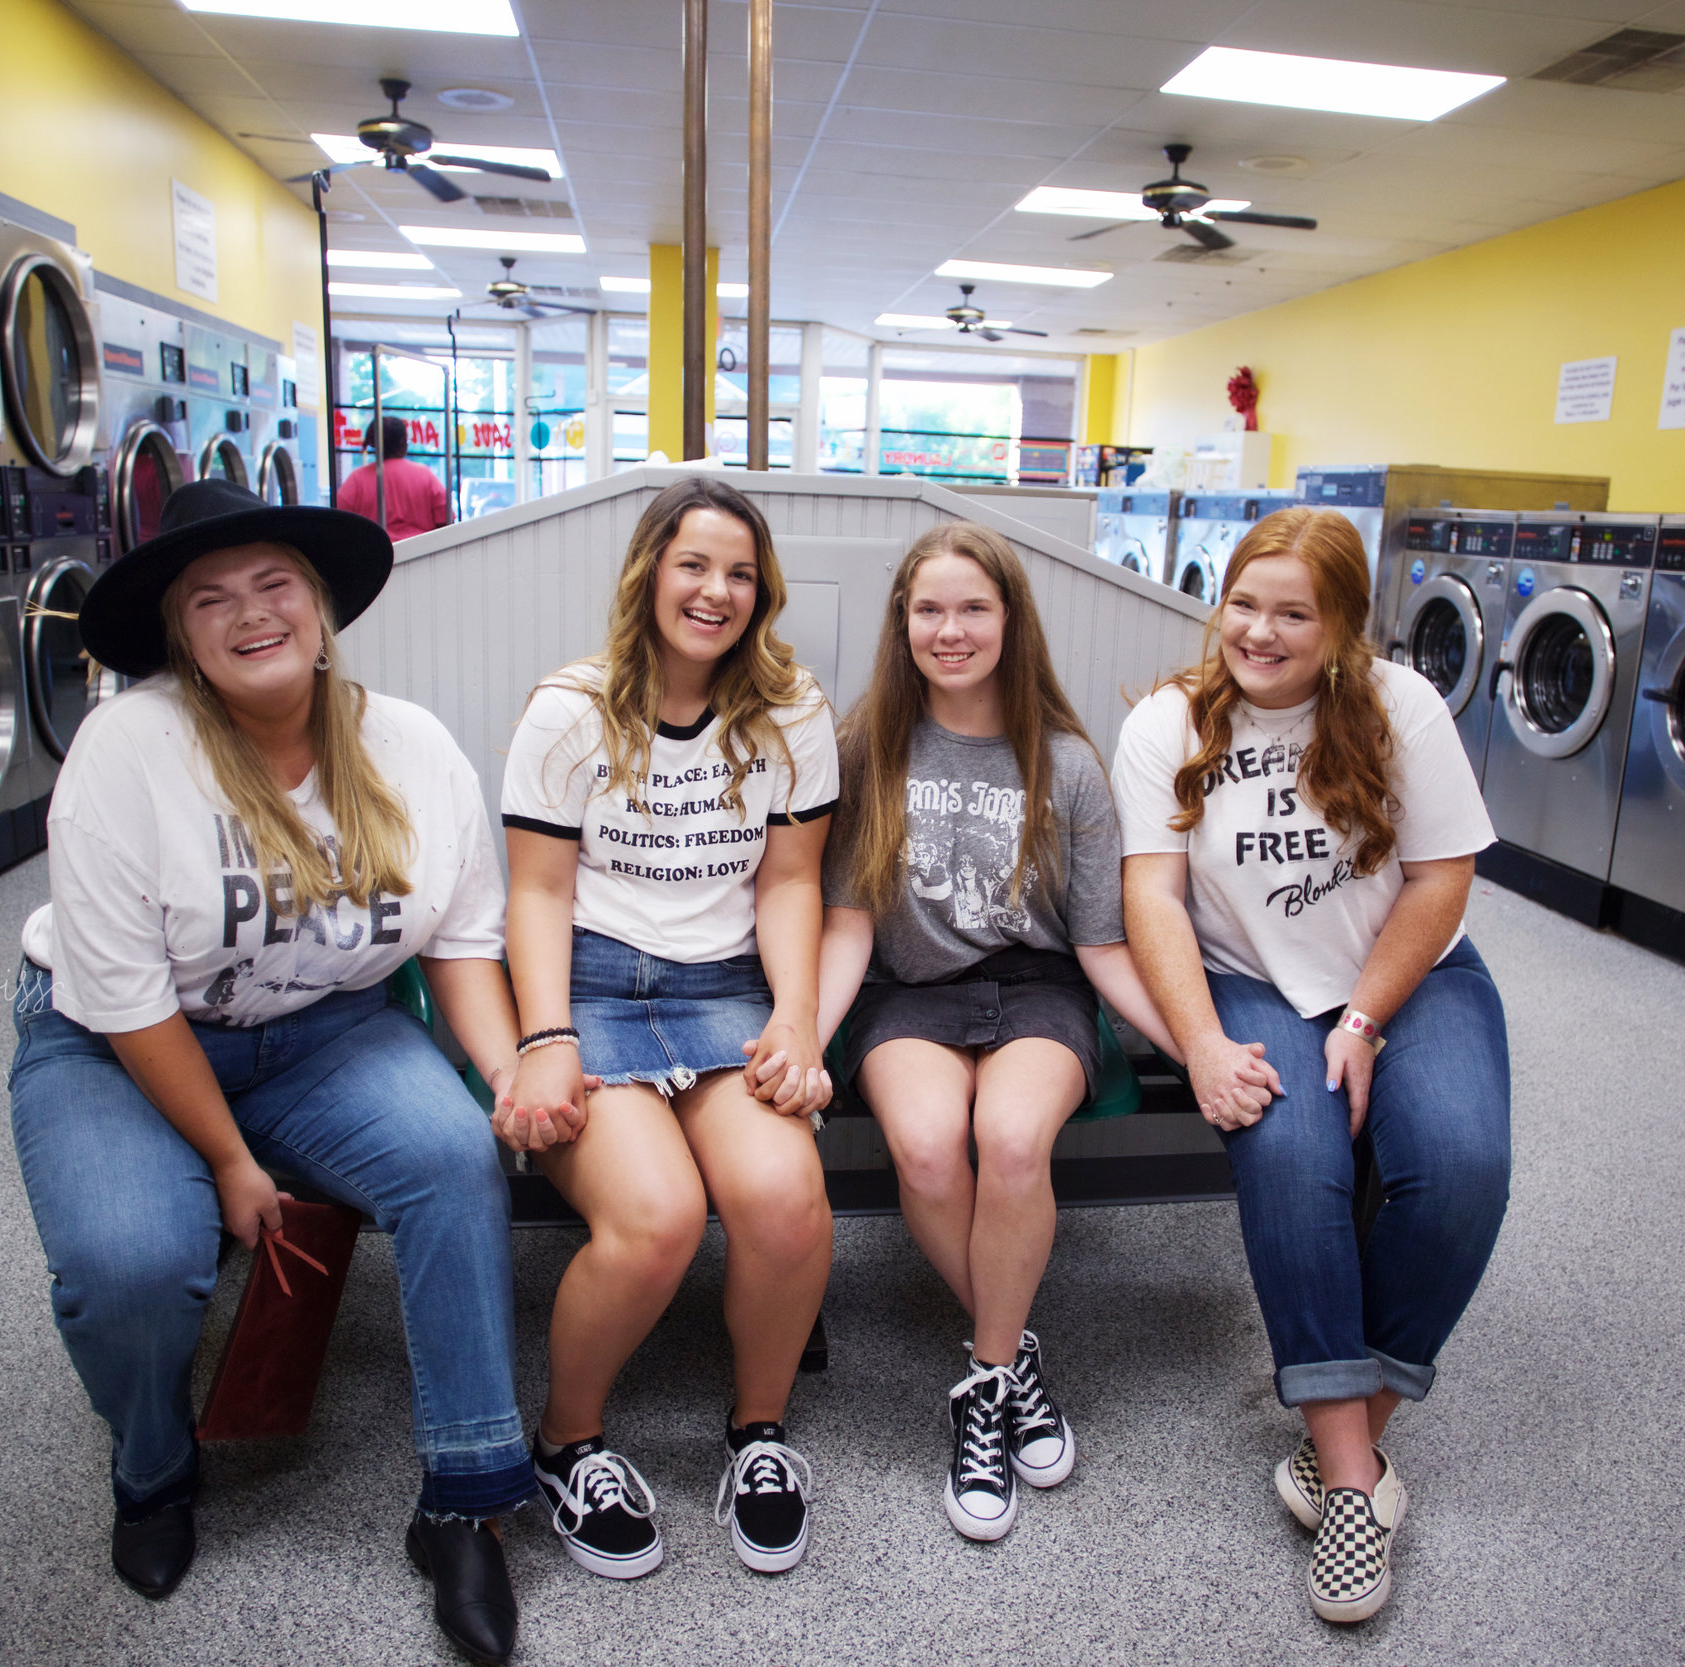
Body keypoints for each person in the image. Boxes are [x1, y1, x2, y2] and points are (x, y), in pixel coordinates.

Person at [9, 478, 532, 1665]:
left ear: (319, 603)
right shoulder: (129, 747)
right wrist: (232, 1163)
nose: (250, 613)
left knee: (455, 1161)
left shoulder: (407, 744)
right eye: (211, 598)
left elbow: (459, 938)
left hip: (325, 1032)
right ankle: (152, 1468)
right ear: (179, 634)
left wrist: (505, 1074)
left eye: (273, 584)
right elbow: (133, 999)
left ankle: (463, 1497)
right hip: (117, 1046)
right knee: (133, 1261)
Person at [816, 520, 1275, 1541]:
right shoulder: (865, 747)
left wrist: (1196, 1046)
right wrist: (806, 1035)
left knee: (1013, 1140)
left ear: (1011, 620)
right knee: (929, 1146)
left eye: (974, 606)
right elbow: (847, 919)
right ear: (901, 622)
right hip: (909, 993)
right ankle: (1016, 1350)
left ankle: (983, 1382)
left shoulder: (1066, 762)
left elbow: (1107, 947)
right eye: (928, 608)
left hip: (1039, 989)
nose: (950, 628)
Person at [1113, 507, 1510, 1625]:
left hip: (1408, 972)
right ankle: (1347, 1480)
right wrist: (1196, 1042)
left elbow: (1440, 881)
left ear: (1341, 626)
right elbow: (1152, 893)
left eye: (1295, 612)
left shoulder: (1399, 706)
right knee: (1292, 1156)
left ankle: (1345, 1420)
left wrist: (1369, 1018)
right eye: (1245, 602)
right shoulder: (1168, 721)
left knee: (1462, 1163)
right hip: (1254, 981)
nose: (1261, 630)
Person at [499, 473, 837, 1580]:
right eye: (694, 564)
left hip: (724, 986)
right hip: (591, 985)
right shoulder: (571, 706)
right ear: (649, 572)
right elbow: (538, 893)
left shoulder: (793, 709)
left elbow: (793, 883)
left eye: (740, 572)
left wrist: (796, 1020)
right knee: (656, 1217)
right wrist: (544, 1035)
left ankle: (757, 1433)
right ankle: (567, 1441)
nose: (717, 590)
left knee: (785, 1200)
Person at [334, 414, 453, 542]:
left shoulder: (356, 480)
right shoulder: (425, 475)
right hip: (422, 555)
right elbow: (447, 522)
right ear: (402, 442)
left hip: (374, 555)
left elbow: (339, 525)